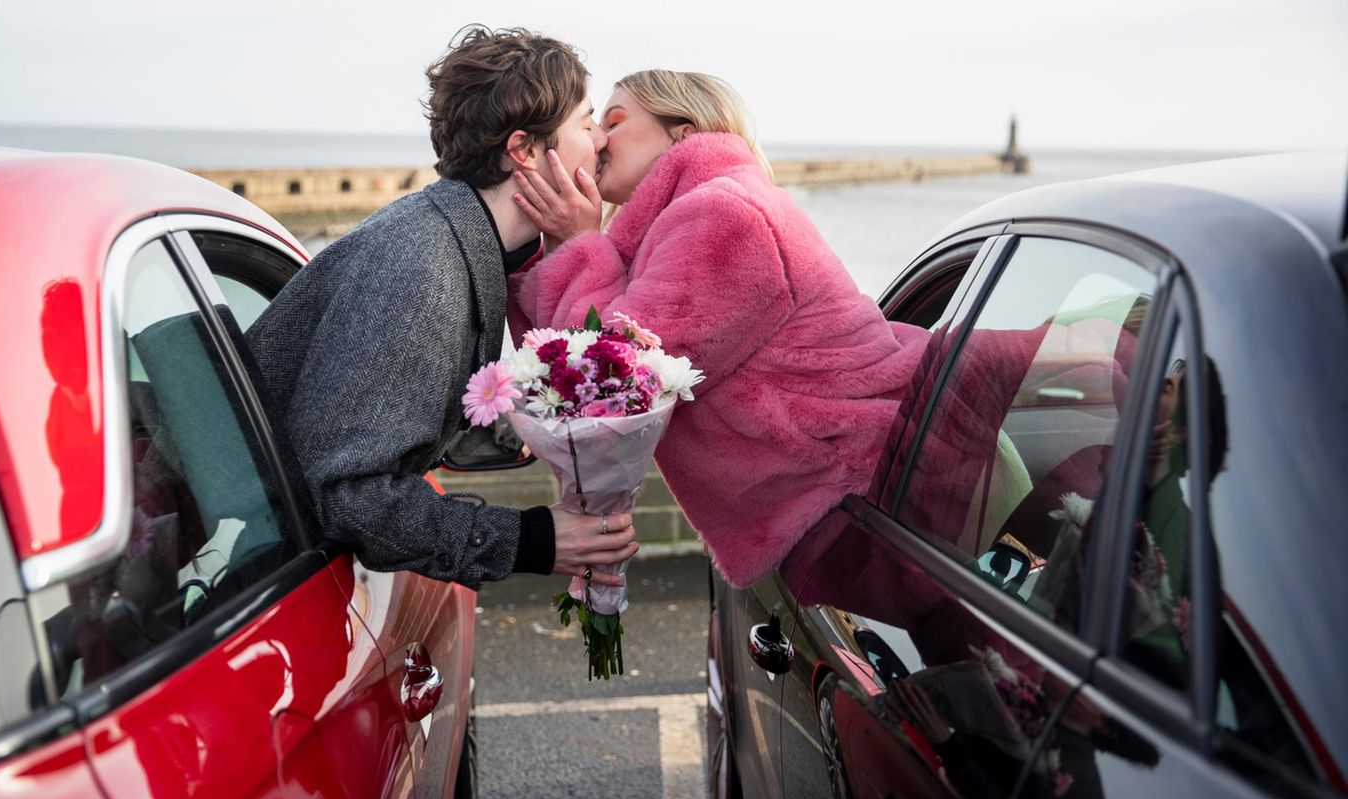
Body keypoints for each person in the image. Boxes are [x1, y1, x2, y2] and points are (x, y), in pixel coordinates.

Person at [245, 26, 638, 589]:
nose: (601, 140)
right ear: (524, 150)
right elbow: (350, 496)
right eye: (586, 121)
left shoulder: (449, 242)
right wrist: (531, 539)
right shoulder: (424, 270)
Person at [507, 69, 929, 588]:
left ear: (682, 133)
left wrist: (575, 241)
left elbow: (616, 375)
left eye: (613, 122)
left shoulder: (724, 215)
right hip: (856, 500)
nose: (596, 139)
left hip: (865, 497)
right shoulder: (689, 216)